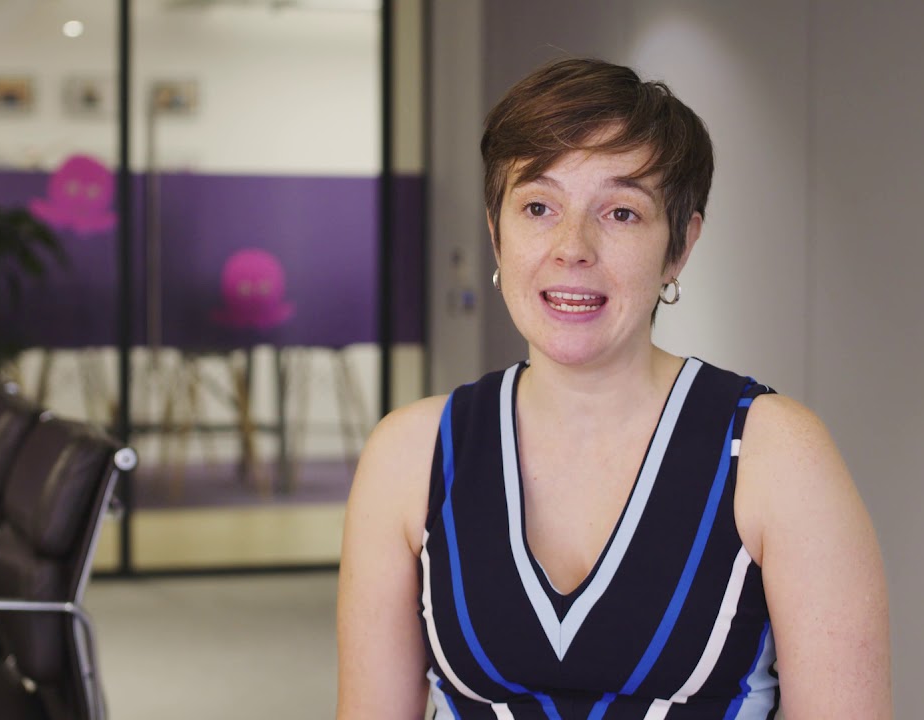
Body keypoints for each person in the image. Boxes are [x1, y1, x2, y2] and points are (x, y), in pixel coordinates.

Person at [337, 58, 891, 719]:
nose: (572, 247)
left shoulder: (775, 453)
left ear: (678, 247)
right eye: (538, 207)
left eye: (622, 212)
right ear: (496, 233)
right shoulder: (413, 454)